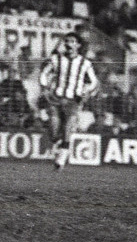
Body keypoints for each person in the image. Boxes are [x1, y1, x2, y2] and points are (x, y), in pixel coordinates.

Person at [38, 31, 99, 169]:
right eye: (67, 41)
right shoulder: (56, 59)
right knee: (54, 130)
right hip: (55, 98)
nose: (68, 44)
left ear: (78, 45)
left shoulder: (85, 63)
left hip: (73, 100)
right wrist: (44, 87)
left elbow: (93, 81)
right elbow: (44, 73)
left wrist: (85, 91)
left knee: (68, 127)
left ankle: (61, 158)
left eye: (72, 41)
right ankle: (60, 145)